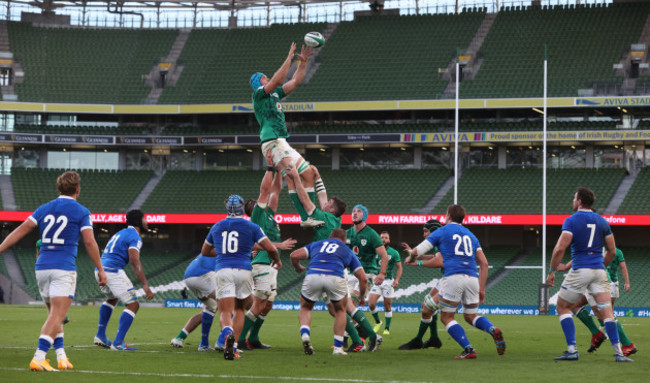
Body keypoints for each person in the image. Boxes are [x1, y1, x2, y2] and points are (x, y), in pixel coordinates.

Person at [0, 170, 107, 371]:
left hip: (42, 268)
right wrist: (100, 269)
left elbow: (20, 230)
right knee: (57, 316)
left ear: (59, 188)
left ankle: (61, 356)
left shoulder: (44, 208)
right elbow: (90, 242)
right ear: (78, 189)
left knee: (54, 316)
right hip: (63, 267)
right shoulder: (82, 211)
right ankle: (39, 357)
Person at [405, 205, 505, 359]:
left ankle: (469, 349)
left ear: (448, 215)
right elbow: (484, 264)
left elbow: (417, 251)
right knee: (470, 316)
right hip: (472, 278)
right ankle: (493, 330)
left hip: (453, 277)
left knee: (447, 317)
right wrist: (482, 289)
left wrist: (411, 259)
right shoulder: (471, 235)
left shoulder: (442, 231)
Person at [546, 187, 632, 362]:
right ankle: (619, 354)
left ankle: (572, 350)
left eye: (574, 198)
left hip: (580, 269)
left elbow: (560, 248)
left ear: (579, 201)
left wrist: (552, 271)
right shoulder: (602, 221)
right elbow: (612, 251)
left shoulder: (571, 220)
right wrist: (601, 266)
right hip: (599, 272)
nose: (573, 200)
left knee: (562, 307)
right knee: (607, 313)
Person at [201, 194, 281, 360]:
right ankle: (235, 346)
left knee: (224, 311)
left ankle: (227, 334)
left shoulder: (216, 227)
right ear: (242, 208)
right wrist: (277, 260)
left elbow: (205, 251)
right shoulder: (251, 226)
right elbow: (270, 248)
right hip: (243, 270)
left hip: (223, 269)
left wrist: (223, 251)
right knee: (239, 309)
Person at [251, 43, 321, 228]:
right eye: (265, 78)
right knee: (292, 174)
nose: (269, 79)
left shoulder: (274, 94)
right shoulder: (259, 95)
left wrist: (302, 63)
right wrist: (289, 59)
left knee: (306, 172)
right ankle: (306, 217)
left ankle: (311, 213)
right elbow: (277, 80)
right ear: (260, 82)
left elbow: (295, 82)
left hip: (282, 141)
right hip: (271, 141)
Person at [239, 162, 296, 350]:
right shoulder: (257, 216)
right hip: (261, 263)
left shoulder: (269, 214)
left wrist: (279, 171)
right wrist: (271, 168)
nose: (258, 202)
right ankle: (239, 340)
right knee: (260, 301)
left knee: (268, 303)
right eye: (254, 203)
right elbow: (265, 190)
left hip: (271, 265)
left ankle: (253, 338)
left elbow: (276, 190)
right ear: (252, 209)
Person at [290, 228, 367, 356]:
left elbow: (293, 255)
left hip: (313, 274)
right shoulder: (347, 250)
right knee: (340, 311)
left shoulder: (317, 244)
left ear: (330, 236)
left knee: (306, 308)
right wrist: (362, 296)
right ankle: (337, 348)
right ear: (344, 239)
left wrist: (297, 267)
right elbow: (363, 278)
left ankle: (305, 336)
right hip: (335, 276)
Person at [556, 247, 636, 357]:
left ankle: (627, 344)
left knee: (605, 317)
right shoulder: (602, 245)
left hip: (597, 283)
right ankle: (596, 333)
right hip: (598, 281)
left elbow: (581, 255)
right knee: (574, 305)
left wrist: (565, 267)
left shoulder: (593, 245)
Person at [93, 209, 154, 351]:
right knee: (133, 305)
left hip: (100, 269)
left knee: (112, 299)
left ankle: (100, 335)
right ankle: (118, 343)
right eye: (145, 218)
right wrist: (145, 285)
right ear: (139, 221)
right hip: (113, 271)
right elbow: (134, 260)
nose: (147, 221)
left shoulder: (120, 233)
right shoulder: (135, 236)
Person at [399, 219, 444, 350]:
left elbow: (439, 262)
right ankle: (434, 338)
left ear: (434, 231)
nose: (424, 235)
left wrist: (417, 262)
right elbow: (434, 257)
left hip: (451, 279)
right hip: (447, 278)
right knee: (427, 305)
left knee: (428, 309)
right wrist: (414, 254)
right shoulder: (439, 242)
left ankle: (418, 340)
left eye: (426, 231)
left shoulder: (440, 242)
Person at [170, 253, 218, 351]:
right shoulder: (228, 247)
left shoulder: (213, 245)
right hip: (203, 274)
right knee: (227, 303)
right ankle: (225, 342)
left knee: (211, 306)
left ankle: (180, 338)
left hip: (189, 276)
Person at [368, 231, 402, 335]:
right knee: (371, 304)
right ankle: (378, 322)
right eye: (381, 237)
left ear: (389, 240)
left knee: (387, 306)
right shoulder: (374, 250)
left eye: (385, 238)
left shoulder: (394, 252)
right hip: (377, 280)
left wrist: (396, 280)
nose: (383, 239)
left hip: (388, 281)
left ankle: (387, 328)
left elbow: (399, 267)